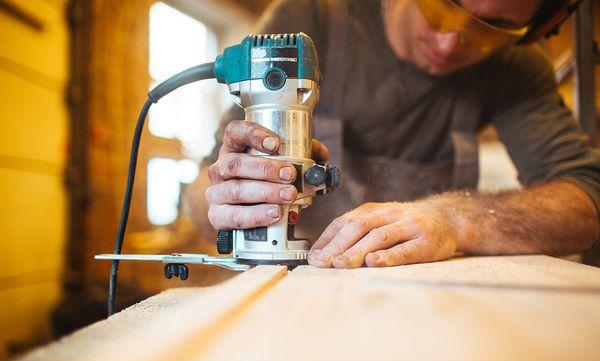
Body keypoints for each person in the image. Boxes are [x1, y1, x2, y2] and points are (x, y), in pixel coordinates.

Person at [187, 0, 600, 268]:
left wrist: (457, 218)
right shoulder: (311, 17)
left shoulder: (515, 67)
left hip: (421, 306)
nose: (450, 40)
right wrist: (226, 201)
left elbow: (587, 200)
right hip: (293, 289)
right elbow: (199, 201)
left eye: (489, 29)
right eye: (443, 6)